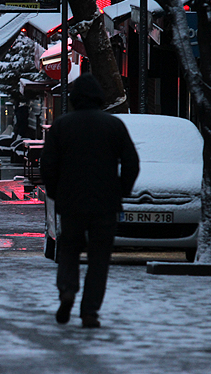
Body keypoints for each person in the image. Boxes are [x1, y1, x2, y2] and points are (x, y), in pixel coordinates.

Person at [40, 73, 139, 328]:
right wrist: (121, 191)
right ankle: (90, 311)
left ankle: (67, 291)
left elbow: (48, 165)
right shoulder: (113, 125)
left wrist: (56, 192)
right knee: (99, 258)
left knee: (69, 250)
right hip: (105, 204)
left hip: (71, 202)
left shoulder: (62, 126)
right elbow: (131, 162)